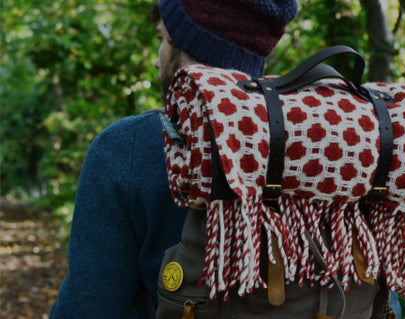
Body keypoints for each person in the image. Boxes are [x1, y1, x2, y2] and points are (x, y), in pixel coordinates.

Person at [49, 0, 298, 317]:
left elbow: (88, 307)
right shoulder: (326, 142)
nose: (158, 58)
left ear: (191, 46)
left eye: (163, 39)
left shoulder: (126, 148)